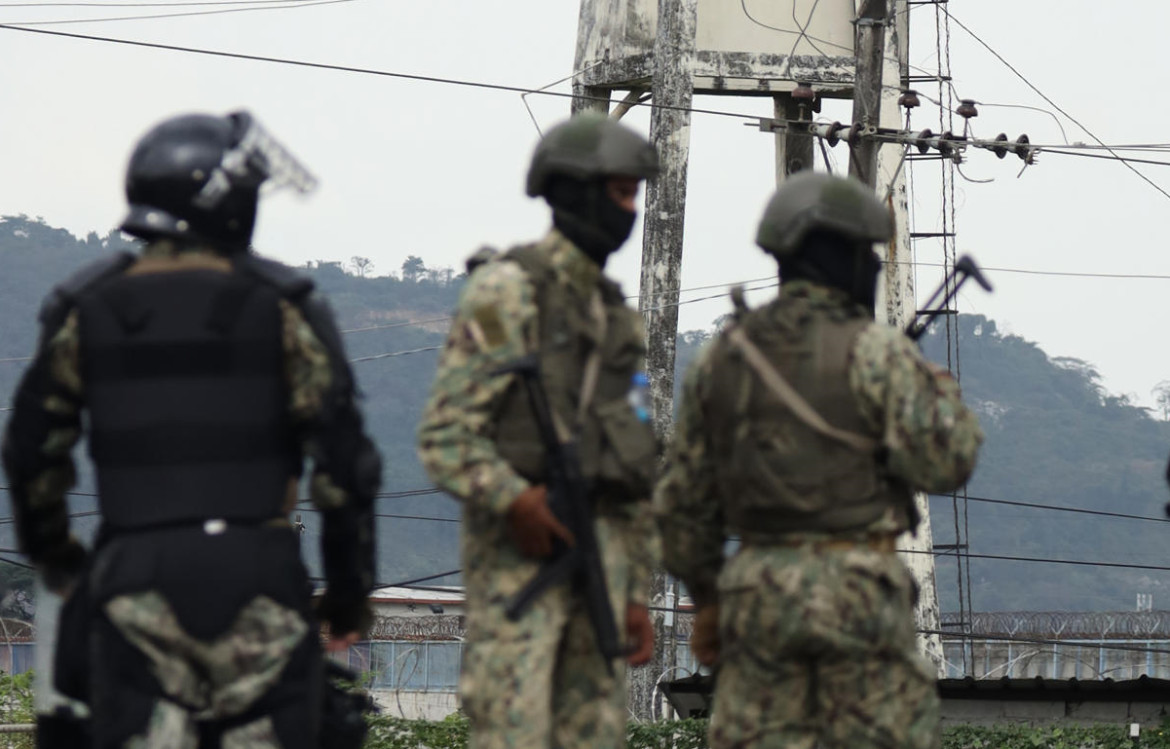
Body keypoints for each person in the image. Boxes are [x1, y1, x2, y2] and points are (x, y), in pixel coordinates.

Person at [1, 111, 381, 749]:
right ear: (226, 201)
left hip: (132, 576)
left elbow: (31, 451)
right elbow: (347, 468)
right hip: (255, 574)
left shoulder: (85, 306)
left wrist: (58, 558)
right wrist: (347, 594)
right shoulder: (287, 306)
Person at [655, 172, 984, 749]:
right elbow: (947, 464)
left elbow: (681, 512)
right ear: (849, 257)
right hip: (860, 597)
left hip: (757, 599)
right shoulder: (877, 352)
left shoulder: (726, 358)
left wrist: (709, 602)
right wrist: (939, 393)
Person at [417, 112, 660, 749]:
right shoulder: (506, 292)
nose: (628, 212)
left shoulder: (617, 322)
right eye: (619, 193)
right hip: (518, 564)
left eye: (635, 195)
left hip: (601, 566)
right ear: (575, 191)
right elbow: (447, 437)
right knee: (513, 733)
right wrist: (514, 498)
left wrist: (636, 590)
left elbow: (634, 468)